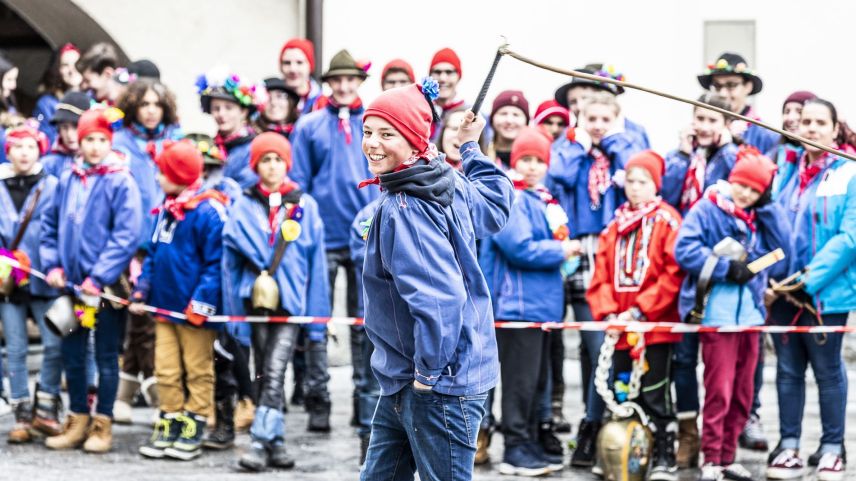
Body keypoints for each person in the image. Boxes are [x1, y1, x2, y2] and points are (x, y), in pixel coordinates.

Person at [358, 77, 514, 481]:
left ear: (414, 141)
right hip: (407, 377)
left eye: (387, 134)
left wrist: (427, 375)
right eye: (368, 132)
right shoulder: (443, 175)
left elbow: (439, 300)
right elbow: (496, 204)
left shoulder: (406, 206)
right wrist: (469, 147)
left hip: (437, 383)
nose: (372, 143)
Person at [674, 147, 788, 481]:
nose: (746, 194)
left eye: (755, 190)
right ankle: (711, 458)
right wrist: (726, 268)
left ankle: (728, 456)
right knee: (719, 390)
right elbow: (685, 249)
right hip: (717, 315)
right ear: (732, 179)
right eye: (743, 185)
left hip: (751, 316)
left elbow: (783, 249)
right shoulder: (707, 208)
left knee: (743, 392)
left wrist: (769, 206)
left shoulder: (759, 215)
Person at [221, 132, 329, 471]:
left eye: (278, 160)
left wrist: (317, 320)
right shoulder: (243, 204)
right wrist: (233, 315)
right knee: (263, 371)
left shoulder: (304, 206)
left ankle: (258, 440)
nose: (272, 166)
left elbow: (316, 264)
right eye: (265, 160)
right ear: (256, 165)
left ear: (287, 164)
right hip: (253, 301)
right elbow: (230, 262)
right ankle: (276, 441)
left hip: (290, 302)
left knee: (275, 369)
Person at [547, 91, 639, 467]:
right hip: (574, 248)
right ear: (580, 119)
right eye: (592, 119)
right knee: (586, 344)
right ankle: (585, 423)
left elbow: (635, 173)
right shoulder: (570, 148)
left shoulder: (623, 146)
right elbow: (558, 175)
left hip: (610, 248)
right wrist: (579, 143)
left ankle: (594, 425)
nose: (598, 126)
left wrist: (614, 141)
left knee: (601, 346)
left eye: (606, 120)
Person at [41, 108, 142, 453]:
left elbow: (126, 234)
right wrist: (53, 265)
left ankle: (103, 422)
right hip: (74, 291)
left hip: (105, 291)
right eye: (89, 139)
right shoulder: (67, 179)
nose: (95, 146)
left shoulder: (120, 181)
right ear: (79, 142)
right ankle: (78, 418)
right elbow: (50, 225)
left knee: (105, 355)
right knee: (73, 352)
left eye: (101, 139)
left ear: (110, 141)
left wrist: (99, 276)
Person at [765, 98, 855, 481]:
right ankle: (788, 446)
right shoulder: (784, 169)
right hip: (781, 292)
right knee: (787, 370)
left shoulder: (848, 172)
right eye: (806, 122)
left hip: (824, 294)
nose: (812, 129)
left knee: (827, 369)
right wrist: (770, 278)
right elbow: (769, 226)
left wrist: (805, 281)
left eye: (821, 122)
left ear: (835, 129)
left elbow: (849, 238)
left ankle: (833, 448)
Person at [479, 126, 577, 476]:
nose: (532, 166)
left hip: (541, 307)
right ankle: (515, 447)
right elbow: (518, 247)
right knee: (519, 382)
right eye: (526, 159)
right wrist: (562, 250)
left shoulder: (543, 199)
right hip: (516, 307)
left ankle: (531, 441)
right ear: (515, 161)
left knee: (537, 382)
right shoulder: (511, 197)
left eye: (539, 160)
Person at [290, 49, 377, 431]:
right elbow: (299, 183)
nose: (343, 86)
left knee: (365, 322)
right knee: (317, 322)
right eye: (337, 80)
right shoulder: (309, 126)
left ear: (359, 82)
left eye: (349, 79)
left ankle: (365, 401)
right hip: (322, 237)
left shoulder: (374, 122)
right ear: (328, 84)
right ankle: (318, 400)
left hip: (365, 235)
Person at [586, 150, 685, 481]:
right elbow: (600, 273)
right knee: (621, 390)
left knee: (655, 391)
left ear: (656, 184)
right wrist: (609, 313)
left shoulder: (668, 221)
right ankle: (621, 454)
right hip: (619, 327)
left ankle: (664, 453)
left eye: (643, 181)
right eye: (630, 181)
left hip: (652, 327)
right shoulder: (614, 225)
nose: (635, 187)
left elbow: (672, 273)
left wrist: (641, 309)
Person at [132, 140, 227, 461]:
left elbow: (216, 265)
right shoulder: (167, 208)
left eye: (163, 172)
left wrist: (201, 303)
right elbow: (153, 253)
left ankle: (194, 424)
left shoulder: (208, 212)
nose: (158, 178)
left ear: (179, 174)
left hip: (193, 313)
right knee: (166, 369)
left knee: (197, 369)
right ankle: (169, 421)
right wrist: (142, 290)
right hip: (164, 308)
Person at [0, 126, 64, 443]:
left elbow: (59, 229)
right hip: (8, 283)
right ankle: (21, 413)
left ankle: (47, 404)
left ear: (40, 150)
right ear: (7, 151)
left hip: (44, 278)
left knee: (56, 341)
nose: (24, 153)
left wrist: (54, 265)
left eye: (30, 146)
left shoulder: (52, 185)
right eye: (18, 147)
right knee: (15, 349)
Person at [663, 93, 739, 215]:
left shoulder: (734, 156)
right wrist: (683, 155)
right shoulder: (676, 156)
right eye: (700, 118)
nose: (704, 127)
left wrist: (726, 149)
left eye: (713, 121)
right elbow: (666, 197)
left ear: (726, 124)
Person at [553, 63, 650, 150]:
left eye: (585, 98)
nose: (579, 106)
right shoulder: (565, 138)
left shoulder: (635, 132)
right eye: (573, 102)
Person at [697, 52, 779, 154]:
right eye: (717, 86)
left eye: (731, 85)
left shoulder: (767, 136)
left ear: (748, 87)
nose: (722, 93)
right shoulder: (701, 131)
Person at [197, 73, 258, 189]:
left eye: (228, 108)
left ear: (243, 112)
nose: (221, 114)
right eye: (216, 108)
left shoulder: (254, 148)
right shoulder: (207, 146)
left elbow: (246, 184)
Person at [33, 43, 83, 145]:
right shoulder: (46, 104)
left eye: (77, 63)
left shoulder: (94, 97)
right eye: (65, 65)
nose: (72, 70)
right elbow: (44, 141)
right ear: (57, 70)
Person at [41, 91, 91, 178]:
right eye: (64, 127)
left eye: (76, 126)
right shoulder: (48, 164)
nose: (69, 134)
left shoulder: (101, 164)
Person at [427, 47, 466, 142]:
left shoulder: (470, 113)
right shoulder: (422, 111)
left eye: (449, 72)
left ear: (459, 76)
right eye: (437, 72)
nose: (443, 78)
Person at [487, 90, 529, 169]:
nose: (509, 120)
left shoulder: (535, 159)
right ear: (492, 119)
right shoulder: (479, 153)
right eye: (503, 114)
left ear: (526, 122)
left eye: (516, 115)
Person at [279, 38, 322, 115]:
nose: (293, 69)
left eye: (299, 62)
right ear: (281, 67)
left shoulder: (323, 102)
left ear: (310, 66)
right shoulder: (270, 101)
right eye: (287, 63)